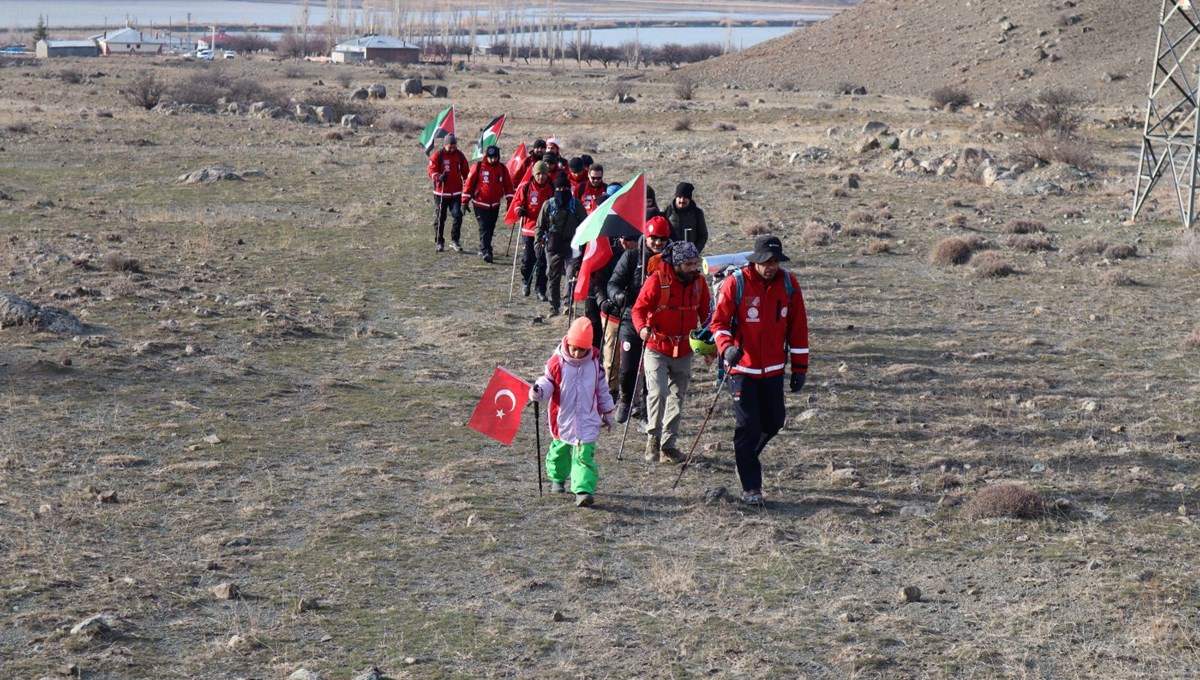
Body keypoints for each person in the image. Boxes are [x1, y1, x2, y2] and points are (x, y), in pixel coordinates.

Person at [709, 235, 809, 506]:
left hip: (774, 370)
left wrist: (800, 368)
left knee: (774, 422)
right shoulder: (736, 283)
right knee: (748, 424)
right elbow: (718, 324)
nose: (771, 266)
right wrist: (727, 348)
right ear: (756, 260)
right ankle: (751, 488)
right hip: (741, 369)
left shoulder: (789, 285)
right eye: (767, 261)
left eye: (776, 261)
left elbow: (798, 328)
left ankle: (745, 457)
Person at [631, 241, 710, 464]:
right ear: (676, 263)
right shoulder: (656, 281)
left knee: (678, 397)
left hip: (685, 350)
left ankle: (669, 445)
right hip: (657, 347)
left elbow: (706, 317)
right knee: (658, 392)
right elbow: (638, 309)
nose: (694, 267)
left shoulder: (699, 284)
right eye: (688, 264)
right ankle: (653, 438)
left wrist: (709, 347)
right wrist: (641, 329)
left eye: (696, 263)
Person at [529, 317, 616, 508]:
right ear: (568, 342)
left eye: (582, 349)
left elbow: (602, 389)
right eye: (574, 348)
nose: (577, 353)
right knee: (559, 452)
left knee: (584, 456)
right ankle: (557, 478)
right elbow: (547, 382)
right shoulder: (556, 362)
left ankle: (583, 490)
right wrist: (539, 391)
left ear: (589, 347)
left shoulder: (595, 365)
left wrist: (608, 412)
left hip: (587, 419)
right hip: (563, 419)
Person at [607, 215, 672, 423]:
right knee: (628, 367)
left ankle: (647, 409)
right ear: (646, 236)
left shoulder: (671, 261)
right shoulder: (632, 257)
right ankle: (625, 400)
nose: (658, 243)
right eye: (654, 238)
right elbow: (613, 283)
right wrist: (618, 296)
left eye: (662, 239)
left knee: (652, 370)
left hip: (659, 323)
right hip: (630, 318)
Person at [593, 233, 639, 396]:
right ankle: (610, 391)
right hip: (612, 313)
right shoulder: (609, 254)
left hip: (635, 316)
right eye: (623, 238)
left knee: (633, 358)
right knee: (611, 356)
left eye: (630, 239)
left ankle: (633, 393)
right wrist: (603, 301)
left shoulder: (644, 258)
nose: (625, 242)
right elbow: (599, 281)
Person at [535, 173, 585, 317]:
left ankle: (567, 303)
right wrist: (537, 244)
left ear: (569, 189)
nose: (562, 191)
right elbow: (539, 226)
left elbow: (584, 225)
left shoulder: (576, 205)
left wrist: (583, 246)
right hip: (553, 246)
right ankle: (553, 305)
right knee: (552, 275)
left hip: (572, 246)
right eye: (559, 188)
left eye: (565, 188)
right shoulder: (548, 205)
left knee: (571, 274)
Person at [462, 144, 514, 263]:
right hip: (480, 203)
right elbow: (469, 184)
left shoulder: (502, 169)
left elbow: (508, 186)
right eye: (490, 157)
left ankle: (484, 246)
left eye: (495, 157)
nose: (492, 159)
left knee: (490, 227)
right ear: (486, 156)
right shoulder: (478, 166)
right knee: (484, 226)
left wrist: (510, 201)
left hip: (495, 204)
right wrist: (464, 201)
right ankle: (486, 251)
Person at [512, 161, 554, 299]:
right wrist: (520, 210)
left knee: (542, 261)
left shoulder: (551, 188)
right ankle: (526, 282)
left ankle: (540, 289)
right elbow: (517, 203)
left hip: (545, 230)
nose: (541, 177)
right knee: (527, 259)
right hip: (529, 229)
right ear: (534, 174)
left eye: (543, 174)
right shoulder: (526, 187)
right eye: (538, 174)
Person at [427, 134, 470, 252]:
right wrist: (438, 177)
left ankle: (455, 241)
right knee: (440, 218)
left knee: (458, 215)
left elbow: (467, 173)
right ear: (445, 145)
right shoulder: (438, 155)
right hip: (441, 193)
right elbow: (431, 171)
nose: (453, 149)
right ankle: (439, 242)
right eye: (450, 146)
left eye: (454, 146)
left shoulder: (460, 156)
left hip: (456, 193)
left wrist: (469, 188)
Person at [662, 182, 708, 253]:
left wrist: (695, 251)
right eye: (679, 197)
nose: (682, 200)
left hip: (690, 256)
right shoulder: (667, 212)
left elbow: (703, 235)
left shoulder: (697, 213)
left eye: (685, 197)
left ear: (690, 198)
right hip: (671, 255)